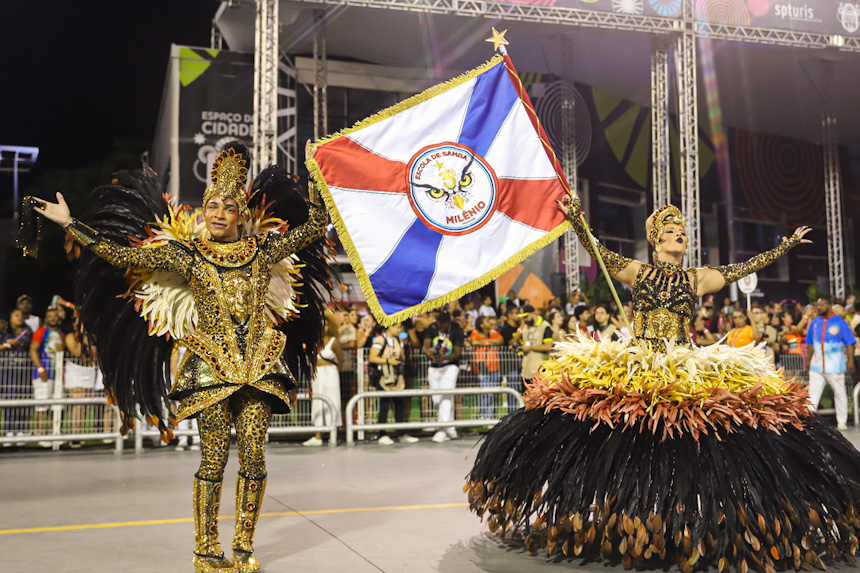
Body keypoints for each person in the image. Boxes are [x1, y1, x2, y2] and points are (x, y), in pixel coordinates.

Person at [466, 199, 860, 572]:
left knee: (690, 445)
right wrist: (576, 222)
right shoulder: (638, 272)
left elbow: (743, 267)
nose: (680, 235)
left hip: (681, 369)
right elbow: (599, 254)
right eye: (671, 230)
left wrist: (785, 246)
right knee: (631, 445)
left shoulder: (698, 278)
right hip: (639, 366)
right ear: (656, 240)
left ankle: (684, 516)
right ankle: (628, 516)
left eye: (684, 231)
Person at [29, 140, 329, 573]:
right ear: (202, 209)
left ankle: (243, 545)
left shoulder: (264, 250)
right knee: (212, 460)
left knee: (254, 457)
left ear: (241, 214)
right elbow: (122, 255)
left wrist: (317, 176)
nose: (218, 212)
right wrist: (70, 223)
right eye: (211, 205)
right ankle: (206, 549)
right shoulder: (188, 254)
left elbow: (316, 225)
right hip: (211, 366)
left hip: (260, 365)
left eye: (228, 206)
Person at [806, 296, 856, 430]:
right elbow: (810, 343)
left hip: (835, 366)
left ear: (829, 306)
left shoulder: (839, 322)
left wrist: (850, 361)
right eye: (818, 305)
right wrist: (807, 361)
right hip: (817, 367)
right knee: (812, 395)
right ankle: (809, 420)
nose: (818, 307)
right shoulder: (815, 322)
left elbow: (850, 343)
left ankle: (841, 421)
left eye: (821, 305)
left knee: (840, 393)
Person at [368, 322, 418, 444]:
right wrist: (388, 361)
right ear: (390, 326)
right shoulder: (380, 340)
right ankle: (382, 434)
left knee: (400, 405)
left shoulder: (398, 340)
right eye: (397, 326)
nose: (399, 329)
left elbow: (402, 355)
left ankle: (401, 433)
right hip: (384, 377)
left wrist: (399, 360)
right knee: (384, 406)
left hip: (396, 377)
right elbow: (372, 357)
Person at [423, 311, 464, 443]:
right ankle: (450, 427)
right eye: (440, 325)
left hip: (450, 366)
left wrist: (443, 358)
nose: (441, 329)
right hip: (434, 367)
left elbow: (457, 353)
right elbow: (426, 345)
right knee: (436, 399)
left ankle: (442, 430)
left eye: (444, 326)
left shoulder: (457, 329)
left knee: (446, 396)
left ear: (449, 323)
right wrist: (429, 352)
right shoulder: (432, 327)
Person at [304, 314, 343, 447]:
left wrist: (335, 371)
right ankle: (318, 435)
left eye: (326, 324)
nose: (323, 327)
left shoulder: (334, 341)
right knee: (317, 401)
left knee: (332, 400)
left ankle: (333, 434)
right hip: (317, 373)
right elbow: (309, 358)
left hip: (331, 373)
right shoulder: (313, 341)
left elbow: (341, 359)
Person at [29, 308, 65, 441]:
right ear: (46, 319)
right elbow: (33, 350)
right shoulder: (41, 332)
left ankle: (54, 434)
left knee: (56, 406)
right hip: (43, 375)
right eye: (50, 316)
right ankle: (41, 435)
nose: (53, 319)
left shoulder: (61, 333)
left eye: (55, 316)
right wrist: (40, 369)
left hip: (58, 375)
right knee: (42, 406)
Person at [470, 316, 504, 420]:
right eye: (487, 321)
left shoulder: (493, 332)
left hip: (495, 367)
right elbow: (474, 342)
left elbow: (500, 341)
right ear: (481, 325)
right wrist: (489, 342)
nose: (489, 322)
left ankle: (488, 417)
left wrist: (484, 341)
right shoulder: (475, 333)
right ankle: (482, 415)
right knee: (485, 392)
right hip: (482, 367)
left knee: (492, 393)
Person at [519, 305, 554, 387]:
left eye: (526, 316)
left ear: (533, 313)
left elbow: (548, 346)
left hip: (541, 372)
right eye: (522, 317)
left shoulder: (545, 326)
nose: (524, 319)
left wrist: (530, 348)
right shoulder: (525, 327)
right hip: (526, 371)